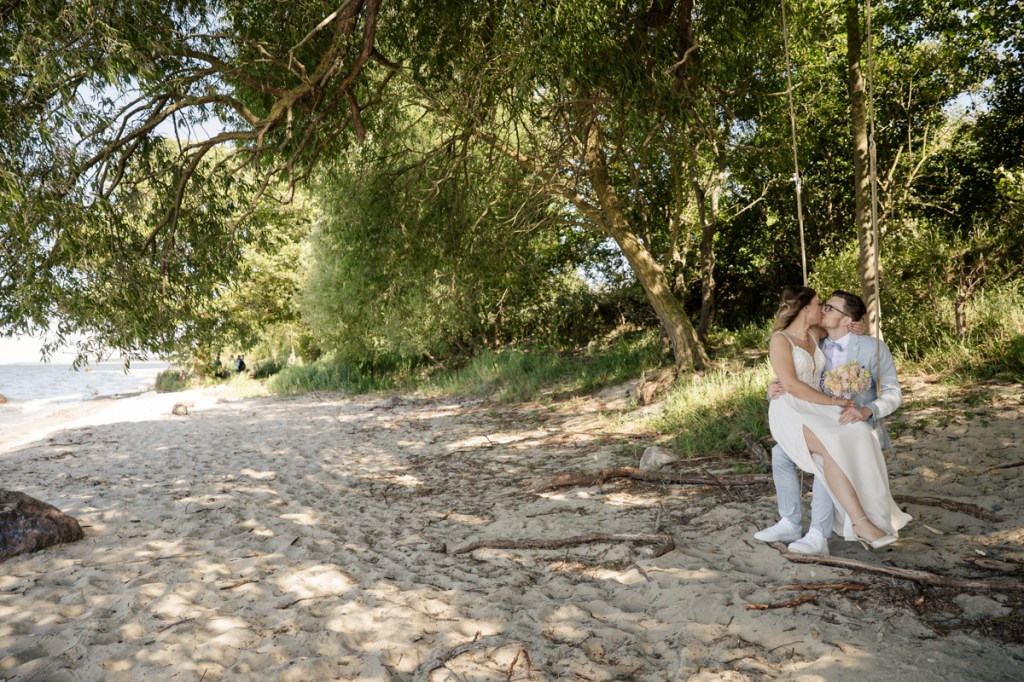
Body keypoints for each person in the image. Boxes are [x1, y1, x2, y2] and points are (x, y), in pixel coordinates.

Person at [755, 286, 911, 553]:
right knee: (783, 454)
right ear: (807, 309)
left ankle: (820, 532)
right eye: (821, 305)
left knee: (825, 453)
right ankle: (792, 521)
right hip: (812, 414)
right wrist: (773, 390)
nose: (823, 309)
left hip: (846, 419)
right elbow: (792, 382)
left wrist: (867, 410)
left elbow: (894, 393)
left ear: (847, 320)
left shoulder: (871, 348)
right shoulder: (813, 338)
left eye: (829, 307)